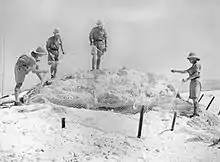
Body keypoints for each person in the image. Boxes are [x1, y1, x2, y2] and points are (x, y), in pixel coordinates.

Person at [171, 52, 202, 118]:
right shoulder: (193, 66)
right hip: (193, 82)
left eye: (190, 59)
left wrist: (187, 79)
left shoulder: (197, 65)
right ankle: (195, 113)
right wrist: (175, 71)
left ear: (194, 58)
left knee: (195, 98)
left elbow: (196, 74)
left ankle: (196, 114)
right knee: (193, 98)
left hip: (196, 81)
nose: (189, 60)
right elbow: (184, 71)